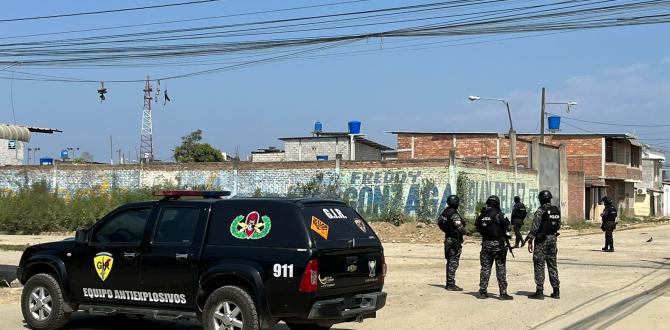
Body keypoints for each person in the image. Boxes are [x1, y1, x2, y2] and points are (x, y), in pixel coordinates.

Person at [475, 195, 513, 300]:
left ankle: (482, 291)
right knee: (500, 268)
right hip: (498, 245)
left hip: (486, 244)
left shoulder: (482, 215)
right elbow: (508, 226)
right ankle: (503, 293)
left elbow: (477, 226)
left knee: (485, 268)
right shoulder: (499, 214)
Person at [526, 190, 561, 300]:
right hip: (553, 240)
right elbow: (558, 225)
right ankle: (556, 291)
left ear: (541, 200)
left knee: (539, 264)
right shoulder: (556, 210)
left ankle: (539, 291)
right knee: (552, 265)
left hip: (542, 241)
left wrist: (530, 240)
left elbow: (535, 227)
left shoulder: (540, 211)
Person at [437, 195, 466, 291]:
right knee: (453, 262)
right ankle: (450, 284)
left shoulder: (445, 212)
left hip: (448, 238)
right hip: (454, 240)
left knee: (449, 261)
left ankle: (449, 283)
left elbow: (440, 223)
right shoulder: (454, 214)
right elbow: (459, 227)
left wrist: (447, 230)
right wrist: (467, 232)